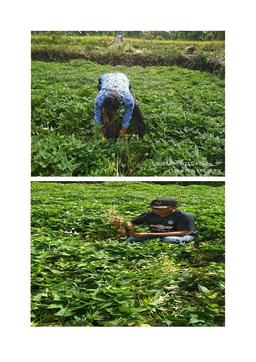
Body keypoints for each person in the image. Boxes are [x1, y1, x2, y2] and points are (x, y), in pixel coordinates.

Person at [94, 72, 146, 138]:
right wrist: (100, 134)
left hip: (122, 79)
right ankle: (107, 127)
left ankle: (141, 132)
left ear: (121, 104)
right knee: (104, 117)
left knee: (135, 107)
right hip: (106, 78)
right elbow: (97, 118)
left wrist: (122, 136)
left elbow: (126, 120)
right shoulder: (99, 99)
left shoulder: (128, 100)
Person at [127, 197, 197, 244]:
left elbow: (183, 233)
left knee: (168, 239)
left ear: (174, 207)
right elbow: (132, 222)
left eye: (162, 208)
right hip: (156, 235)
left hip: (183, 236)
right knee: (132, 239)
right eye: (154, 208)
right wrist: (129, 228)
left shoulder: (185, 216)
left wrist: (148, 234)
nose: (157, 210)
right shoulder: (149, 214)